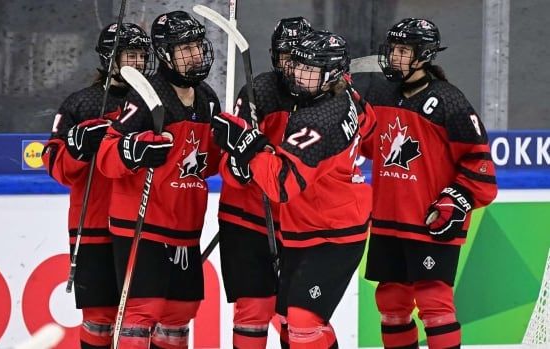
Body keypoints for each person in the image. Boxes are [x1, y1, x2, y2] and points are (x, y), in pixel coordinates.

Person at [212, 30, 374, 349]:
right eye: (298, 67)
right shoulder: (348, 97)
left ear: (332, 75)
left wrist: (248, 146)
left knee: (303, 322)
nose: (299, 77)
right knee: (290, 319)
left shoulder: (319, 119)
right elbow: (371, 125)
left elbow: (280, 185)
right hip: (306, 228)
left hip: (334, 234)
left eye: (309, 71)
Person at [360, 18, 498, 348]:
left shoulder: (449, 102)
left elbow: (480, 167)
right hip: (389, 221)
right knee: (391, 304)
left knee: (434, 304)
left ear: (424, 56)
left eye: (404, 50)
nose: (395, 56)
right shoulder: (381, 94)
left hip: (429, 221)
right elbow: (368, 146)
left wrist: (456, 198)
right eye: (393, 49)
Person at [95, 11, 221, 349]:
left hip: (185, 227)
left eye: (197, 45)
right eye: (185, 47)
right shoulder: (146, 93)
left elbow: (206, 166)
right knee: (141, 313)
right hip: (143, 224)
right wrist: (132, 151)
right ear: (165, 52)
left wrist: (235, 154)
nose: (195, 54)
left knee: (180, 313)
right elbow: (107, 155)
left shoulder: (208, 99)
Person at [41, 23, 154, 349]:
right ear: (110, 57)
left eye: (142, 55)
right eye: (129, 54)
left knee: (141, 319)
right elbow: (54, 164)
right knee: (99, 319)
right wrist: (76, 149)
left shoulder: (155, 101)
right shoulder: (81, 103)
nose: (137, 62)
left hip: (141, 226)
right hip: (94, 225)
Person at [215, 17, 313, 349]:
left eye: (299, 56)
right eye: (286, 56)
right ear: (274, 56)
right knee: (254, 308)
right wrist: (239, 166)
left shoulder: (321, 98)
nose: (292, 64)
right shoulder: (258, 93)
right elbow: (227, 162)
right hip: (245, 217)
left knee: (297, 314)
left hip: (296, 222)